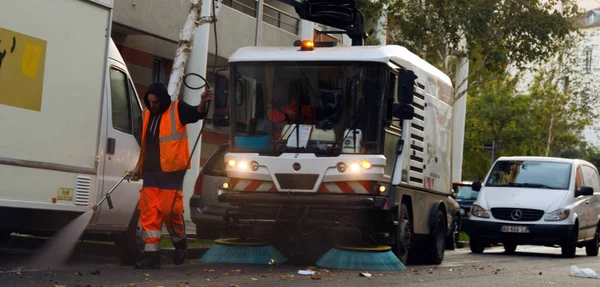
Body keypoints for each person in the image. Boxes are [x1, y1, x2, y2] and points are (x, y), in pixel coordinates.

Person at [129, 82, 214, 269]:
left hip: (173, 171)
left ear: (163, 100)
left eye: (156, 102)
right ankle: (151, 256)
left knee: (169, 210)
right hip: (150, 171)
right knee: (149, 211)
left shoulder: (178, 108)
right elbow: (145, 144)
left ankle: (180, 242)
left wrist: (203, 102)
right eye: (150, 102)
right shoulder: (146, 115)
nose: (152, 106)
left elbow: (198, 113)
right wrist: (138, 167)